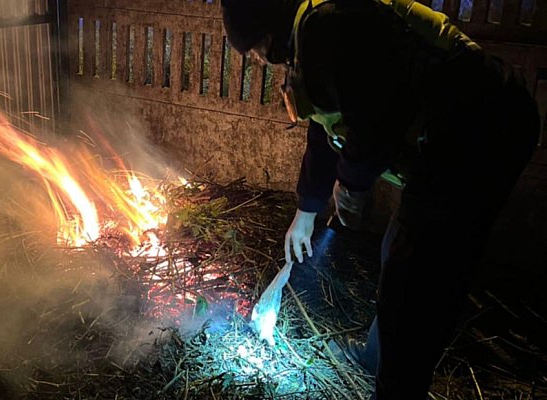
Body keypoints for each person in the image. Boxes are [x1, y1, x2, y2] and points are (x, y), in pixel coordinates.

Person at [221, 0, 541, 398]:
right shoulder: (312, 36)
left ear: (270, 32)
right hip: (459, 131)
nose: (257, 58)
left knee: (418, 275)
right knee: (399, 251)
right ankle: (376, 358)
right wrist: (307, 208)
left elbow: (377, 122)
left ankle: (395, 389)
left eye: (254, 48)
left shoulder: (331, 27)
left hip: (483, 127)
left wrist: (350, 186)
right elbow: (326, 126)